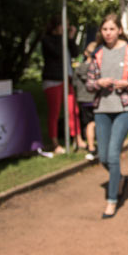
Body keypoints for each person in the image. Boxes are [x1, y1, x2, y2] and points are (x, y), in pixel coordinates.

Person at [86, 13, 128, 218]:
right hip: (102, 107)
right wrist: (99, 83)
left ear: (119, 30)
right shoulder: (98, 52)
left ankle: (112, 201)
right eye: (104, 29)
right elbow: (89, 82)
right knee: (103, 156)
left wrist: (126, 83)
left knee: (113, 154)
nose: (108, 33)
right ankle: (119, 178)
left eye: (112, 29)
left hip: (124, 107)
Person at [41, 18, 80, 155]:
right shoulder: (48, 40)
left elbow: (75, 53)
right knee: (55, 112)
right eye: (65, 25)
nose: (67, 28)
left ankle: (77, 138)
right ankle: (55, 143)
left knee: (73, 110)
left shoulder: (65, 40)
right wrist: (63, 38)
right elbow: (58, 53)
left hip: (67, 80)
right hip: (53, 80)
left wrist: (70, 38)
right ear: (56, 27)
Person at [73, 41, 99, 160]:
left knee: (88, 123)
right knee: (93, 123)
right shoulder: (96, 69)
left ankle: (91, 146)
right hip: (94, 99)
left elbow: (74, 83)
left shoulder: (78, 68)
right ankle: (92, 147)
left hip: (83, 99)